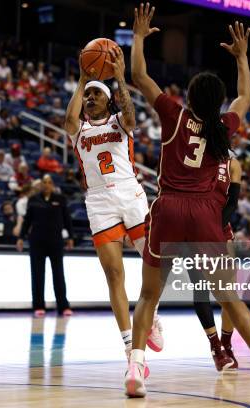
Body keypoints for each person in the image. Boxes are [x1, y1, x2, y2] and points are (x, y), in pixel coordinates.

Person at [127, 5, 250, 402]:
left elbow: (139, 76)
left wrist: (140, 37)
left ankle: (136, 366)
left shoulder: (174, 115)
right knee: (229, 296)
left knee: (149, 296)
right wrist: (242, 57)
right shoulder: (223, 127)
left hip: (168, 208)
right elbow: (246, 94)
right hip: (205, 214)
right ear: (217, 102)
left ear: (191, 97)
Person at [63, 44, 164, 362]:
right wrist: (82, 80)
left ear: (108, 100)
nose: (90, 99)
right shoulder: (78, 130)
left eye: (96, 94)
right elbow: (68, 118)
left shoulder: (120, 121)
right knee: (114, 274)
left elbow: (133, 117)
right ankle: (127, 345)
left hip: (130, 193)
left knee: (154, 263)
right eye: (88, 96)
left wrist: (120, 77)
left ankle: (153, 315)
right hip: (99, 201)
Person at [16, 175, 73, 316]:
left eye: (49, 182)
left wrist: (71, 237)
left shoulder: (60, 199)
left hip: (56, 241)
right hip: (37, 242)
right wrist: (21, 237)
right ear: (41, 185)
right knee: (37, 275)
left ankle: (63, 306)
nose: (47, 185)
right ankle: (38, 306)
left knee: (59, 274)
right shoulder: (33, 200)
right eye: (44, 182)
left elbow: (67, 219)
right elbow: (27, 220)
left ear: (53, 184)